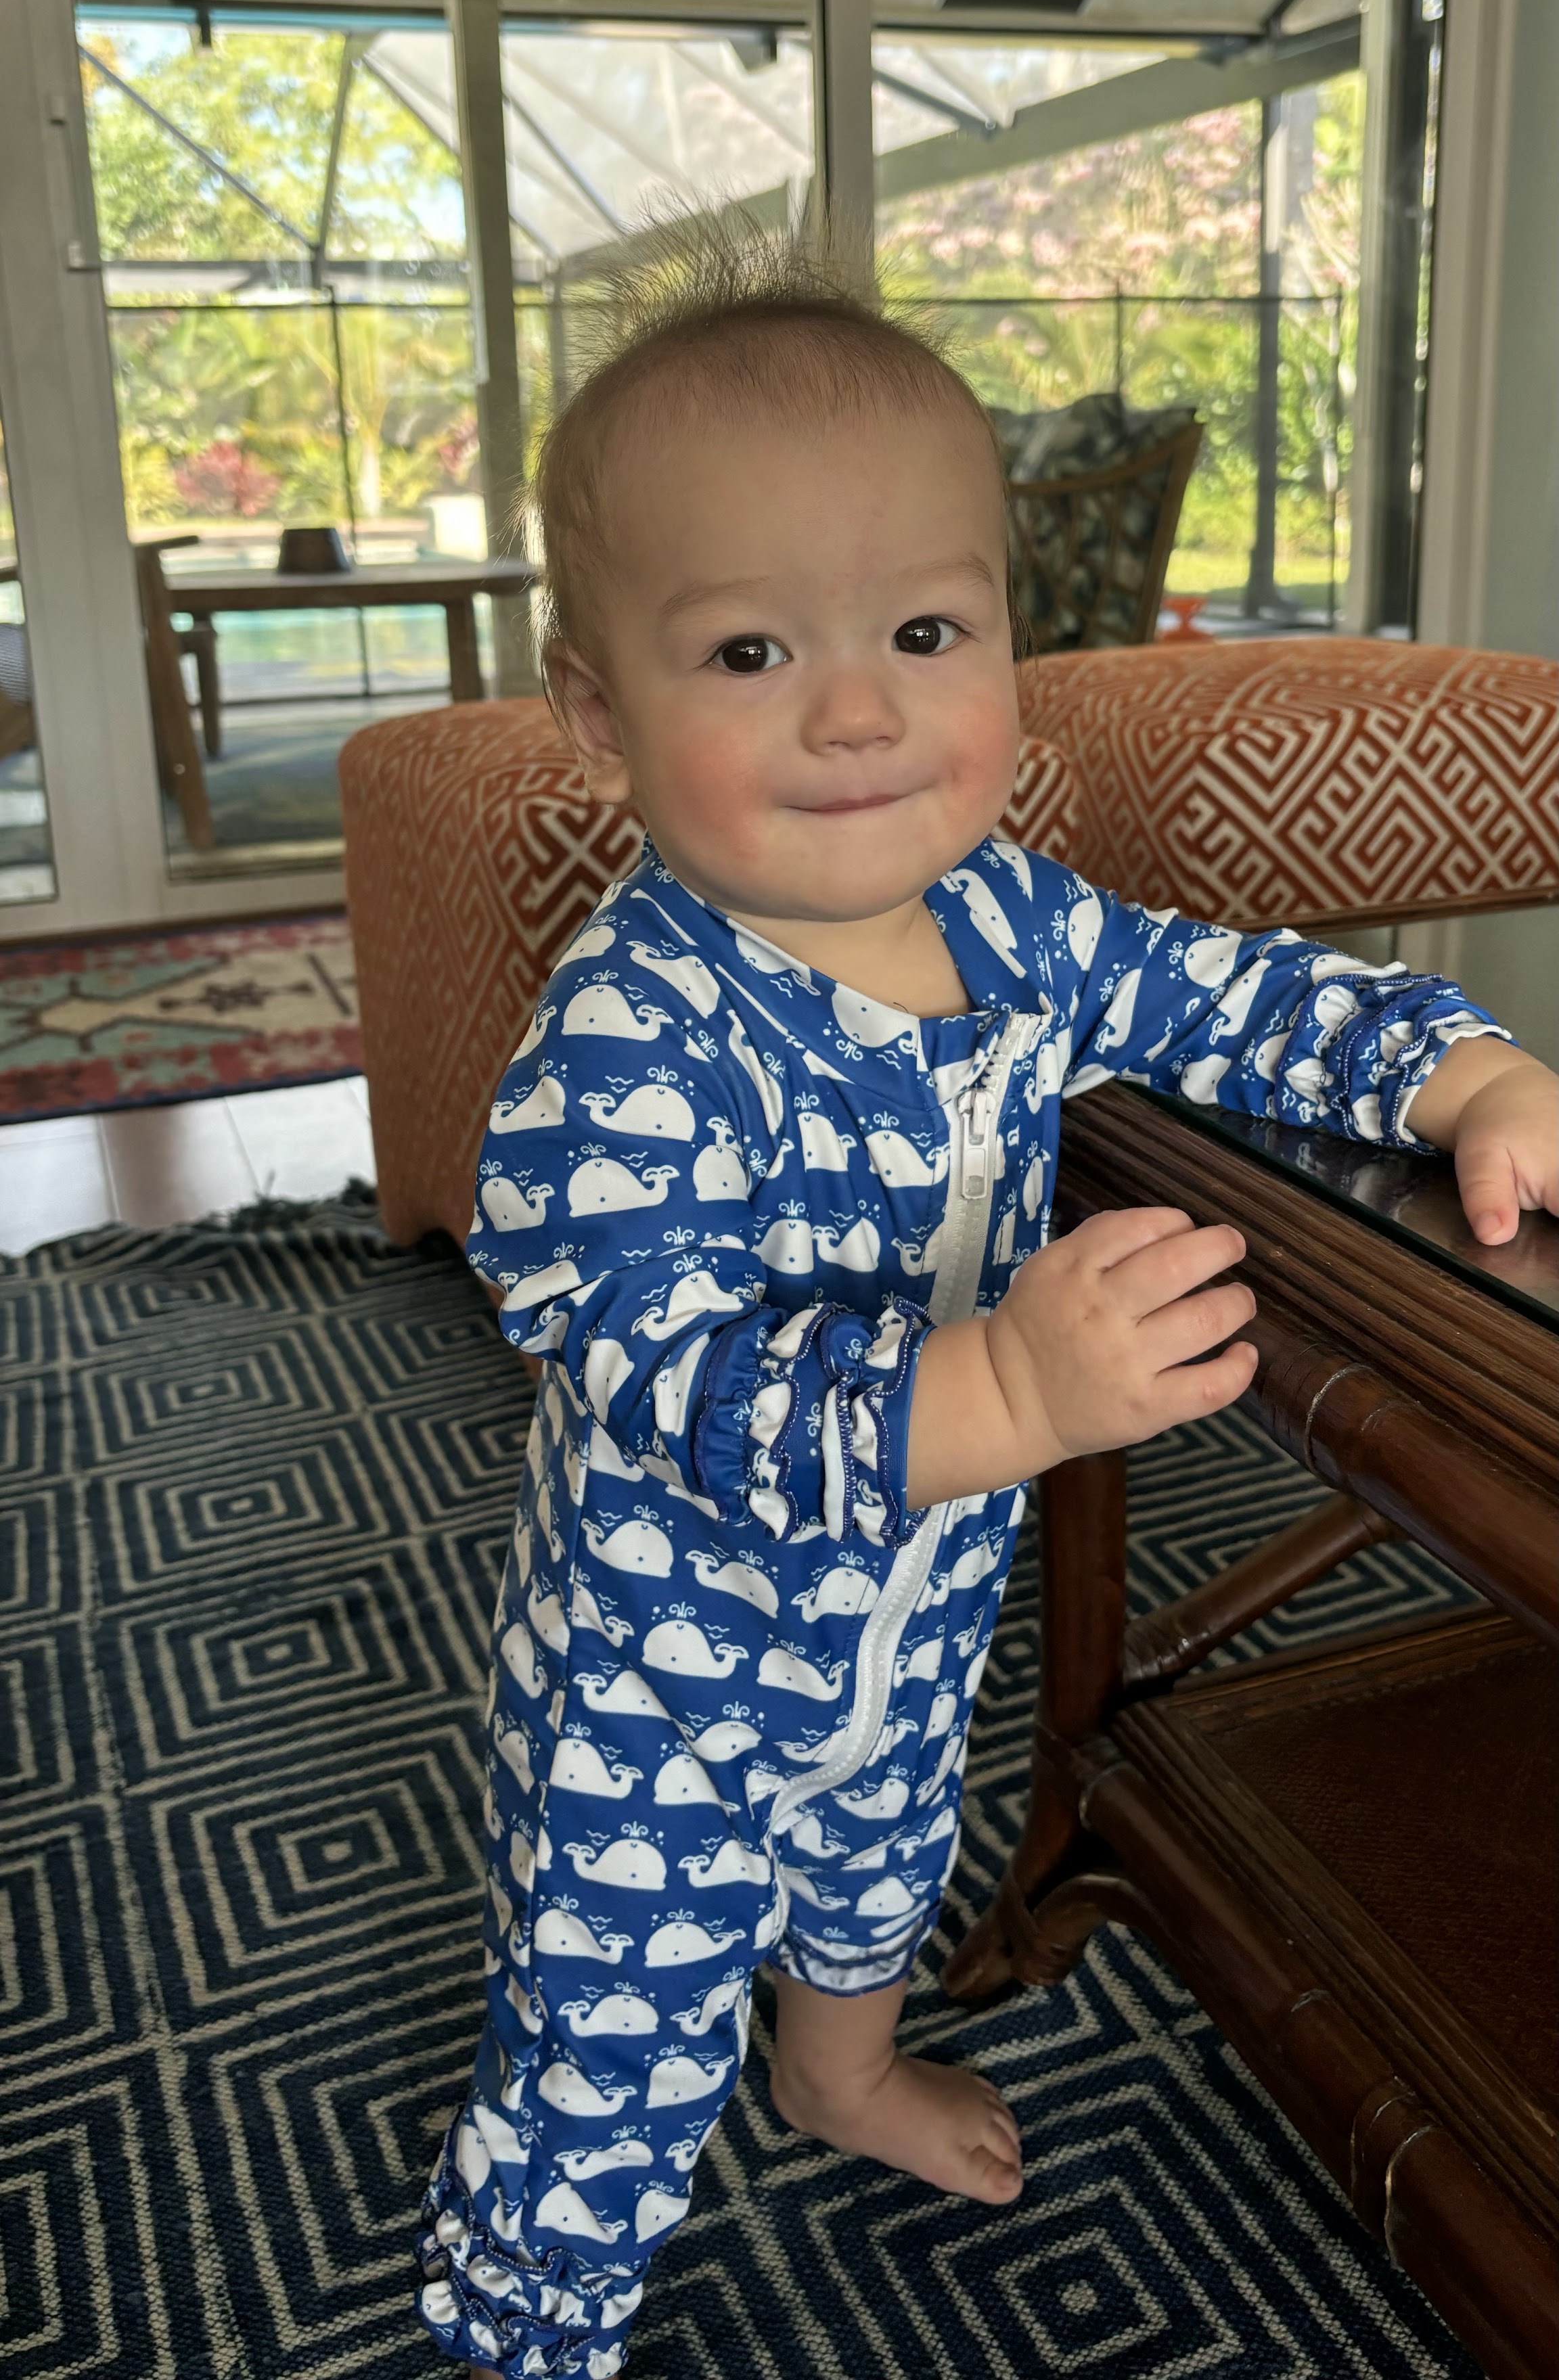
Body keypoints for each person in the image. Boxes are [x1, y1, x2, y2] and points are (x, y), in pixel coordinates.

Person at [417, 233, 1557, 2377]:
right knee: (609, 2050)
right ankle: (528, 2314)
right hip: (666, 1689)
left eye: (927, 631)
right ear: (596, 713)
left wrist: (1457, 1069)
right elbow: (668, 1379)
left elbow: (1225, 995)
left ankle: (837, 2072)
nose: (858, 711)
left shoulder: (1010, 917)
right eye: (750, 649)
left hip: (916, 1616)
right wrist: (1011, 1390)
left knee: (880, 1876)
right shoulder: (629, 1035)